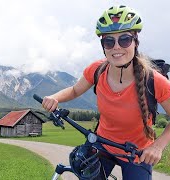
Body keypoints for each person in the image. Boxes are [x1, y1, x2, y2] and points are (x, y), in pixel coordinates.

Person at [41, 5, 170, 179]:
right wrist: (55, 98)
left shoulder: (154, 81)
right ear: (103, 46)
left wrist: (157, 147)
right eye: (109, 41)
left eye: (124, 39)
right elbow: (74, 90)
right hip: (102, 145)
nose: (116, 47)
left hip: (137, 153)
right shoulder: (97, 70)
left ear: (135, 41)